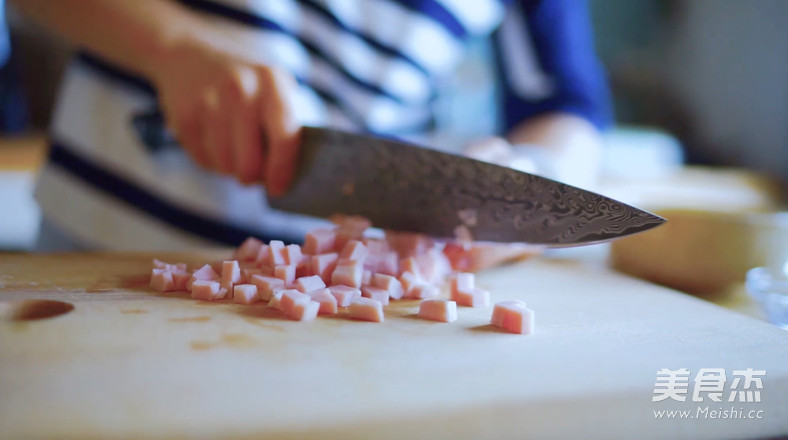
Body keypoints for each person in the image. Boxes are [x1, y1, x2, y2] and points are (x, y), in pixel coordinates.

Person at [13, 0, 611, 251]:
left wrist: (529, 177)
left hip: (334, 297)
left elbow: (568, 107)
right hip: (98, 247)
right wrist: (171, 45)